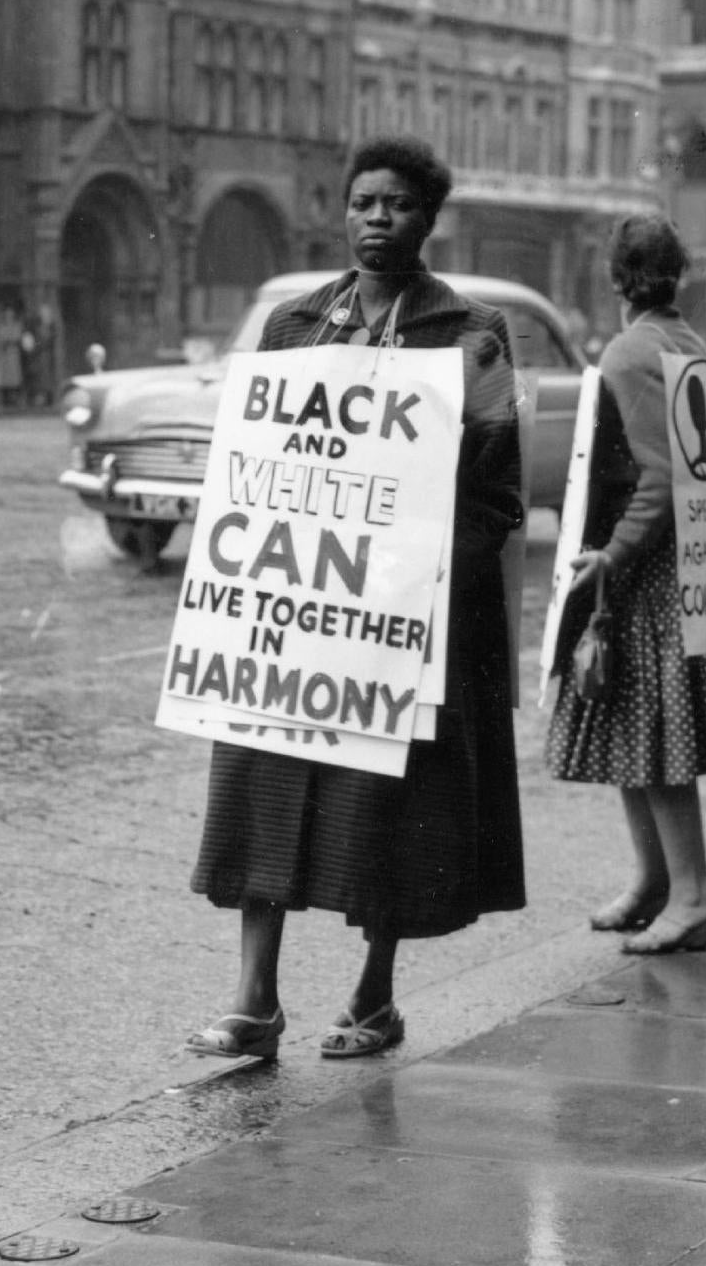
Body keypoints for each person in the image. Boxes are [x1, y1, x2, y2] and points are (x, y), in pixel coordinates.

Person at [184, 134, 526, 1060]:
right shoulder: (292, 327)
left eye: (399, 205)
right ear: (341, 210)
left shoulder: (472, 334)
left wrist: (412, 563)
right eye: (363, 202)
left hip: (403, 624)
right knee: (263, 781)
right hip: (298, 617)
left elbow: (496, 493)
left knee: (387, 810)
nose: (378, 219)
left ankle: (373, 998)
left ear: (429, 219)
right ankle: (254, 1002)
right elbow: (250, 470)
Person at [546, 214, 706, 954]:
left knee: (654, 734)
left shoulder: (629, 352)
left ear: (614, 278)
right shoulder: (687, 344)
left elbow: (654, 476)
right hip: (683, 560)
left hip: (645, 568)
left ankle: (692, 893)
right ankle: (654, 880)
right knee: (636, 725)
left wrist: (611, 555)